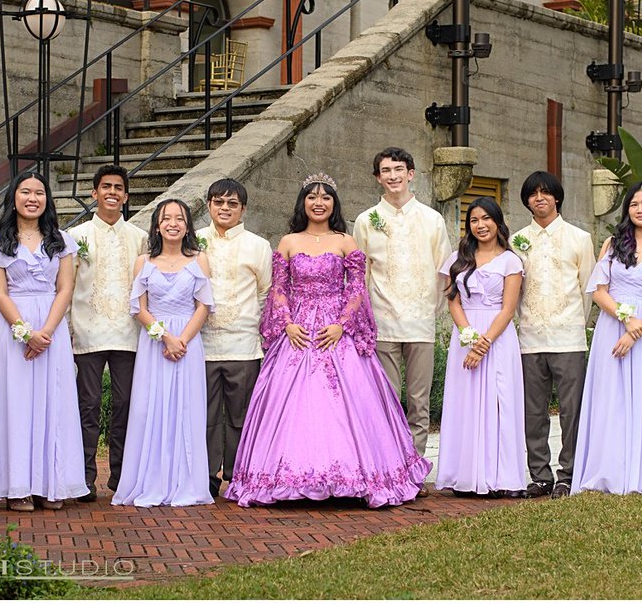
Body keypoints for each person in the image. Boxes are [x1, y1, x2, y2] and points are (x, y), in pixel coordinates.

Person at [225, 174, 432, 508]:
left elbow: (357, 289)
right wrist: (288, 324)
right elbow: (278, 288)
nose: (318, 203)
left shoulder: (345, 241)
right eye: (311, 197)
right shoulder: (288, 241)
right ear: (302, 203)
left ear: (334, 205)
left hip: (336, 330)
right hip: (299, 331)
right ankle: (284, 475)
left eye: (325, 198)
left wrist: (341, 325)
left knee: (351, 401)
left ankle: (359, 476)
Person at [0, 173, 88, 512]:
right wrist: (25, 332)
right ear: (14, 198)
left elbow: (65, 288)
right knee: (17, 404)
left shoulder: (62, 240)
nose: (32, 198)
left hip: (51, 325)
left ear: (46, 200)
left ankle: (50, 484)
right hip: (14, 329)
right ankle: (18, 487)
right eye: (25, 192)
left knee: (53, 402)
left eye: (39, 192)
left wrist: (47, 333)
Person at [572, 182, 642, 495]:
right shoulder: (612, 243)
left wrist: (639, 329)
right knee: (611, 398)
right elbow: (598, 292)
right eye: (634, 204)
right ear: (627, 209)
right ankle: (607, 469)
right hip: (613, 326)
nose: (640, 209)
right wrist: (626, 319)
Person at [353, 147, 451, 497]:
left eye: (399, 169)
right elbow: (360, 273)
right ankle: (388, 469)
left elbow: (444, 270)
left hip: (421, 322)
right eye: (385, 170)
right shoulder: (366, 220)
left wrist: (432, 311)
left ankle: (415, 468)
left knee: (418, 401)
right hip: (381, 322)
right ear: (378, 177)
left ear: (411, 173)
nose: (393, 176)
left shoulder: (431, 219)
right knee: (387, 399)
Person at [112, 199, 215, 507]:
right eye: (166, 218)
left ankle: (186, 482)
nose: (173, 223)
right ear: (157, 225)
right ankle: (149, 479)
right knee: (148, 409)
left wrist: (181, 339)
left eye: (179, 218)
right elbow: (138, 309)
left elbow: (204, 306)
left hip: (188, 343)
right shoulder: (144, 262)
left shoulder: (200, 259)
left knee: (186, 409)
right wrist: (165, 337)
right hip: (154, 343)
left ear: (187, 225)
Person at [511, 171, 595, 499]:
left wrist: (573, 322)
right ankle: (540, 475)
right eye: (533, 194)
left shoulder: (579, 238)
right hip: (530, 338)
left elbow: (588, 289)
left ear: (557, 197)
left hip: (569, 337)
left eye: (546, 193)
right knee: (533, 411)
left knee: (572, 410)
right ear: (527, 200)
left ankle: (568, 474)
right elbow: (514, 292)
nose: (540, 198)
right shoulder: (517, 241)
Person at [67, 165, 148, 503]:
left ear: (126, 196)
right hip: (87, 332)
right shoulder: (76, 236)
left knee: (126, 405)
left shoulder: (140, 237)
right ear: (94, 193)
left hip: (129, 334)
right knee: (87, 406)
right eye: (106, 187)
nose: (112, 193)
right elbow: (66, 286)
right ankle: (84, 479)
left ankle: (121, 477)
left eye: (118, 187)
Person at [436, 197, 526, 498]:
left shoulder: (511, 261)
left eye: (486, 218)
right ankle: (464, 475)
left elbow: (508, 309)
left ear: (497, 222)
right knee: (466, 402)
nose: (480, 225)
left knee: (500, 404)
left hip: (497, 337)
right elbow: (453, 301)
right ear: (468, 225)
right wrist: (467, 336)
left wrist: (483, 344)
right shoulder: (457, 259)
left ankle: (502, 478)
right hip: (466, 335)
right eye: (474, 220)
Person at [195, 179, 272, 498]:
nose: (224, 208)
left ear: (243, 208)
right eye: (218, 202)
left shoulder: (258, 245)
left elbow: (266, 292)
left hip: (243, 344)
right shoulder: (195, 241)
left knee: (241, 415)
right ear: (209, 205)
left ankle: (239, 473)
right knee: (207, 415)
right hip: (202, 343)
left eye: (232, 203)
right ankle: (209, 474)